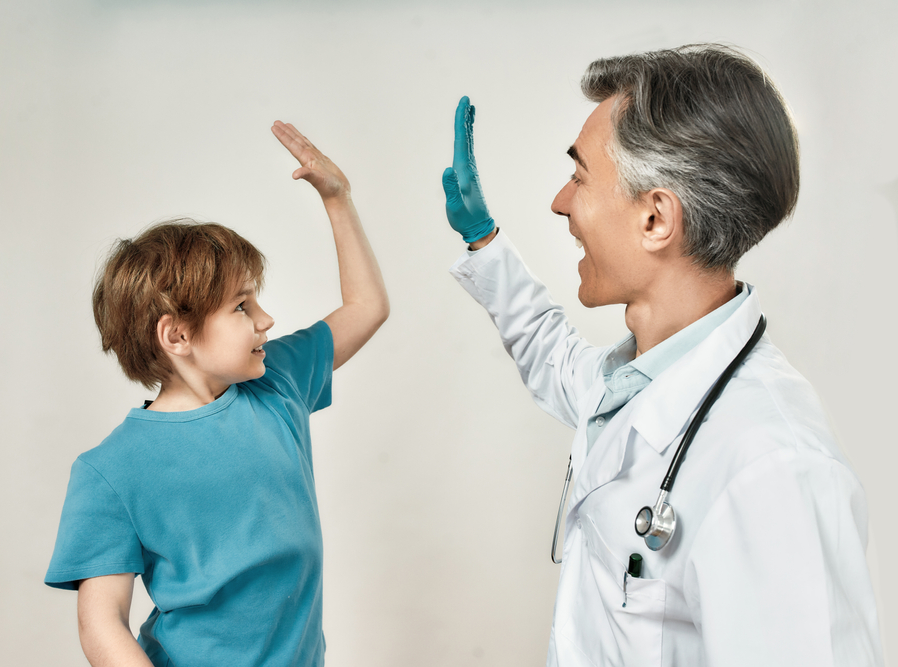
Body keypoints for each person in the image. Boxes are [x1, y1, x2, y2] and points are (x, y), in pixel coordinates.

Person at [442, 45, 883, 666]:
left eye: (579, 176)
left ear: (655, 219)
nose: (560, 202)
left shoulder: (773, 467)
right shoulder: (643, 378)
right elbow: (555, 359)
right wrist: (482, 239)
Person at [44, 121, 388, 666]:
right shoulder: (110, 471)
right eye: (241, 307)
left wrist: (338, 200)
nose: (266, 320)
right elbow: (101, 623)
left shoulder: (277, 381)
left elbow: (366, 308)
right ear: (177, 335)